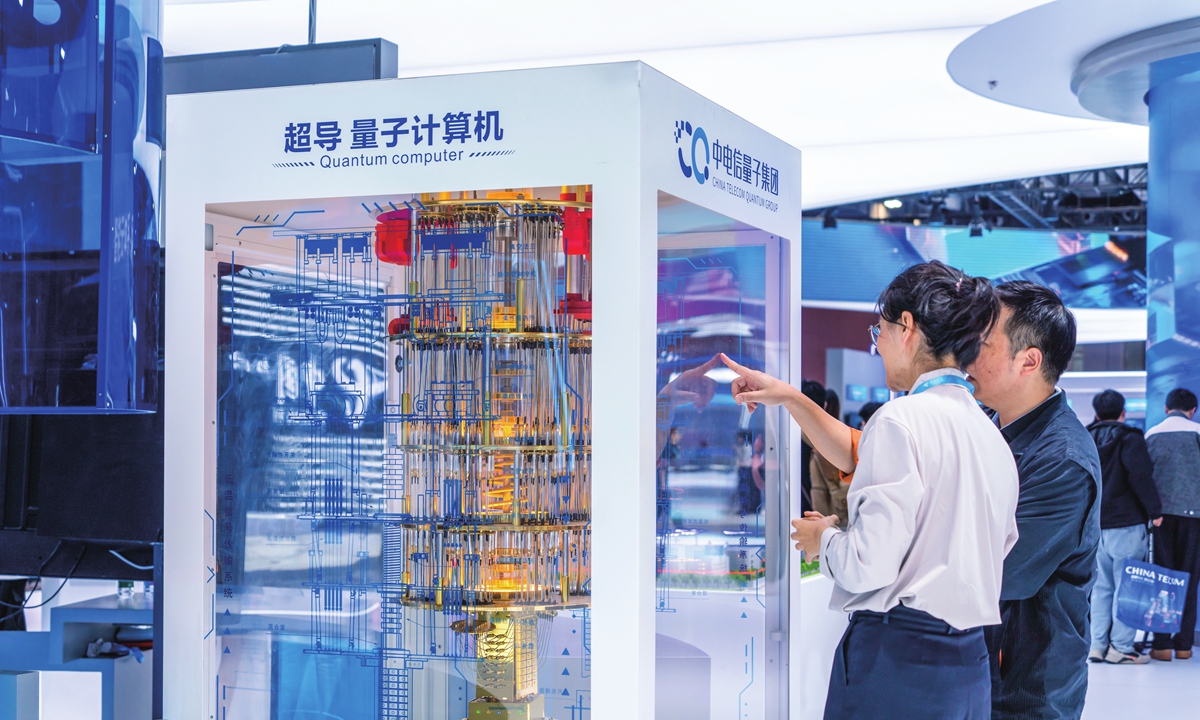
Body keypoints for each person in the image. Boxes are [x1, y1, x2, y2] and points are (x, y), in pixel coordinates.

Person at [722, 260, 1019, 720]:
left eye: (877, 330)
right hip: (969, 665)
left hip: (897, 662)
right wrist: (789, 398)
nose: (876, 345)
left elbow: (867, 566)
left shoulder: (900, 420)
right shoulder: (991, 436)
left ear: (907, 327)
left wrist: (824, 540)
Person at [964, 280, 1101, 719]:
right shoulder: (986, 423)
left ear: (1029, 361)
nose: (967, 353)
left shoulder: (1063, 460)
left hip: (1029, 685)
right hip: (984, 666)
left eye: (982, 343)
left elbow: (1000, 574)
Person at [1086, 389, 1162, 664]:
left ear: (1096, 413)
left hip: (1094, 526)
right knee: (1128, 587)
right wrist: (1155, 511)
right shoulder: (1130, 438)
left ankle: (1096, 646)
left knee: (1100, 587)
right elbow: (1140, 476)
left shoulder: (1085, 436)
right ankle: (1120, 647)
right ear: (1123, 412)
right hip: (1127, 524)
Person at [1144, 387, 1200, 661]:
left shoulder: (1151, 434)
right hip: (1195, 518)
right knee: (1190, 579)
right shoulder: (1198, 432)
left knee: (1162, 581)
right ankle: (1184, 646)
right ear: (1193, 410)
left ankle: (1162, 645)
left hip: (1160, 518)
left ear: (1166, 409)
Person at [811, 391, 850, 527]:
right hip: (846, 511)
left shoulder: (816, 442)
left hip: (830, 515)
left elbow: (819, 493)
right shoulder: (846, 435)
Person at [798, 380, 828, 513]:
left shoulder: (791, 438)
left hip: (796, 506)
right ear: (825, 405)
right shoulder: (831, 440)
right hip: (824, 513)